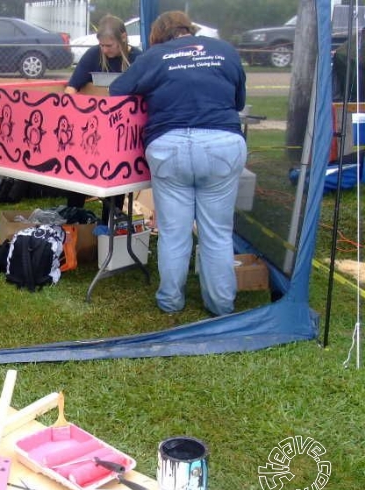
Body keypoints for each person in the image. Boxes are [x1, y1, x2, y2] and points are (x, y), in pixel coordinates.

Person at [109, 11, 247, 316]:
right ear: (190, 30)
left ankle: (171, 302)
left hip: (168, 147)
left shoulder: (156, 55)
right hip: (222, 144)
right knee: (217, 233)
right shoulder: (225, 50)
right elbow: (237, 102)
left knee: (174, 232)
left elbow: (116, 91)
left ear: (158, 35)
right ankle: (221, 305)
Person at [65, 15, 142, 219]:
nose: (105, 50)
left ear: (123, 38)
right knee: (78, 177)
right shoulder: (93, 55)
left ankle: (108, 227)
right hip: (91, 129)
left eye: (109, 45)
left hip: (122, 133)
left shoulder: (138, 59)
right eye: (102, 45)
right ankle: (74, 221)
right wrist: (71, 110)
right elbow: (72, 87)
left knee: (116, 181)